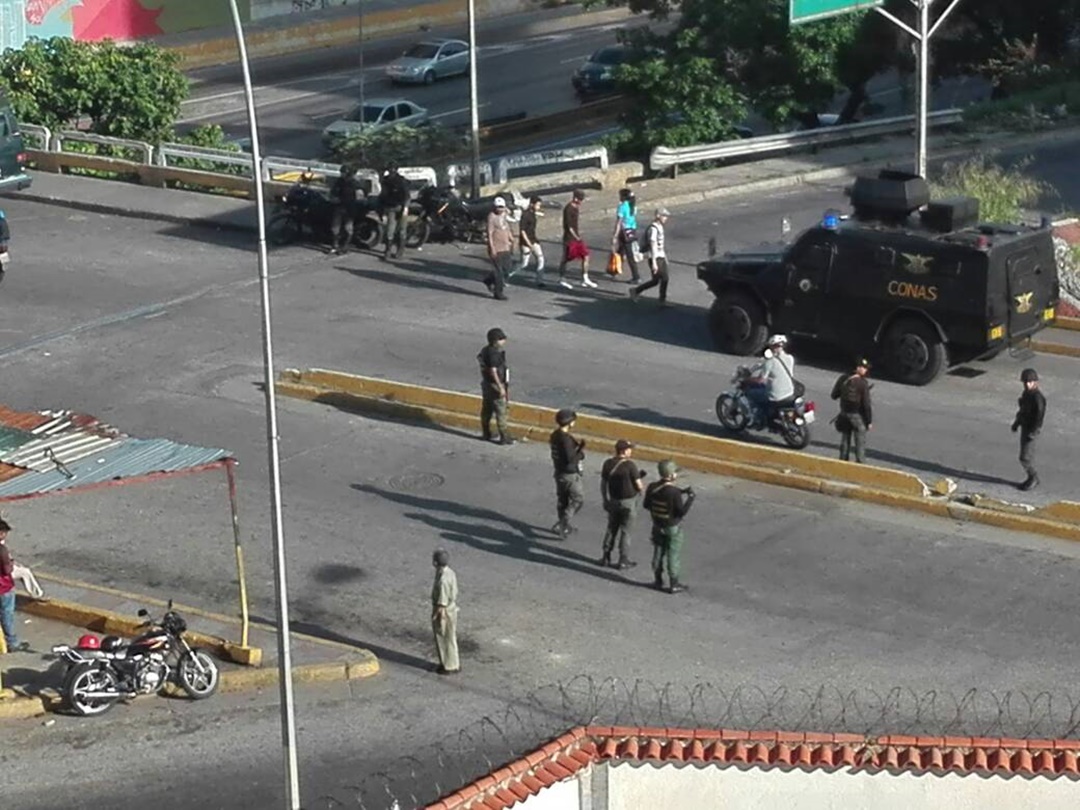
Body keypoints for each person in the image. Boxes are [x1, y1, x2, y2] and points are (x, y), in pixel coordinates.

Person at [643, 460, 695, 594]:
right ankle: (674, 583)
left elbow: (646, 505)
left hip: (657, 525)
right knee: (673, 554)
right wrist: (690, 498)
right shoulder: (673, 493)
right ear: (671, 475)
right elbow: (681, 512)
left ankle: (658, 580)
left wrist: (681, 492)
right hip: (672, 527)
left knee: (658, 552)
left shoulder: (652, 487)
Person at [599, 439, 647, 569]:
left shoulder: (607, 464)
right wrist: (641, 491)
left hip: (613, 500)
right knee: (626, 531)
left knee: (611, 528)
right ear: (624, 451)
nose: (631, 451)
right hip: (628, 503)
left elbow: (603, 484)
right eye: (629, 449)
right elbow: (639, 485)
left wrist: (605, 499)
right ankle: (623, 559)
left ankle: (606, 556)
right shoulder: (630, 465)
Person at [745, 334, 796, 427]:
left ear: (772, 346)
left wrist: (748, 379)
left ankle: (757, 418)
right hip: (790, 392)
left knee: (752, 393)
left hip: (776, 396)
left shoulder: (770, 361)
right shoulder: (790, 358)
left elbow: (761, 380)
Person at [549, 408, 586, 540]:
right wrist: (581, 454)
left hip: (558, 472)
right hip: (569, 475)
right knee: (578, 499)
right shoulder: (565, 440)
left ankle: (563, 526)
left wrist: (579, 447)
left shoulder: (555, 435)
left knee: (563, 500)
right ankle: (563, 522)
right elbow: (571, 459)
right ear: (570, 422)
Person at [831, 357, 873, 463]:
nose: (865, 370)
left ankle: (843, 460)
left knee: (845, 437)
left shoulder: (843, 378)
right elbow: (866, 405)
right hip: (856, 415)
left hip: (844, 413)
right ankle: (860, 462)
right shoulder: (863, 383)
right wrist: (869, 421)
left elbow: (834, 395)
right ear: (858, 368)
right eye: (864, 368)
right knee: (860, 439)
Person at [478, 327, 514, 445]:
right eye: (501, 339)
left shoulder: (485, 350)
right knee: (501, 410)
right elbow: (493, 370)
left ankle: (486, 432)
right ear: (495, 341)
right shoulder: (494, 354)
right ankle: (504, 437)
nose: (504, 341)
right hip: (494, 384)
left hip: (486, 384)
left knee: (487, 409)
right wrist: (501, 387)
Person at [1011, 368, 1046, 491]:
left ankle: (1033, 477)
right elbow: (1022, 411)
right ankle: (1031, 478)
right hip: (1025, 427)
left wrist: (1034, 431)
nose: (1027, 384)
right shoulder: (1026, 394)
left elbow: (1039, 416)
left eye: (1030, 382)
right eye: (1025, 382)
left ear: (1035, 382)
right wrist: (1016, 423)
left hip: (1031, 429)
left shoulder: (1037, 398)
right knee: (1025, 456)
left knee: (1025, 457)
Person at [629, 208, 670, 304]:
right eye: (664, 216)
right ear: (658, 216)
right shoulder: (653, 229)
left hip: (661, 256)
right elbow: (653, 245)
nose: (666, 218)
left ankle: (636, 291)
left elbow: (660, 245)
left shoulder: (660, 227)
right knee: (664, 278)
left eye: (666, 216)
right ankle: (661, 300)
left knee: (657, 280)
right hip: (655, 257)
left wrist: (665, 257)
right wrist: (654, 263)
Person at [557, 189, 596, 290]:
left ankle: (585, 278)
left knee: (586, 256)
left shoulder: (576, 208)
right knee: (565, 259)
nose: (581, 202)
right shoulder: (568, 209)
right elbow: (569, 227)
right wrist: (577, 237)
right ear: (575, 198)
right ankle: (562, 278)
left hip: (576, 238)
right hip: (569, 239)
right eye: (580, 200)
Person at [430, 548, 460, 675]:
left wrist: (437, 615)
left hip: (445, 611)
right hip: (452, 608)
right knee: (451, 637)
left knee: (443, 637)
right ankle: (454, 662)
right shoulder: (450, 573)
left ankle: (447, 665)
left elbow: (441, 602)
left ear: (436, 563)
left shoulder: (442, 580)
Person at [0, 518, 27, 653]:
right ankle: (12, 642)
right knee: (6, 615)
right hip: (4, 587)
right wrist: (11, 563)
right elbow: (7, 570)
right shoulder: (2, 550)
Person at [378, 163, 411, 260]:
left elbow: (407, 196)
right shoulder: (385, 181)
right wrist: (382, 212)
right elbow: (382, 197)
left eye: (393, 169)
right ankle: (388, 251)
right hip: (390, 208)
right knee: (390, 231)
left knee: (401, 230)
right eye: (390, 169)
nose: (391, 170)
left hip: (401, 207)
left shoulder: (401, 180)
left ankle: (399, 251)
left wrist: (405, 208)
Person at [484, 196, 513, 301]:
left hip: (505, 245)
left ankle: (489, 280)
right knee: (499, 272)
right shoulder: (491, 217)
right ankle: (498, 292)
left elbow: (507, 226)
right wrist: (492, 248)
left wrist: (510, 238)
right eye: (498, 207)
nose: (500, 209)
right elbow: (490, 233)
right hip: (496, 247)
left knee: (507, 269)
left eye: (502, 207)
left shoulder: (504, 214)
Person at [610, 188, 641, 283]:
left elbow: (619, 222)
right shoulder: (633, 206)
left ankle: (636, 276)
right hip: (632, 230)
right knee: (621, 251)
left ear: (623, 197)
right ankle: (615, 269)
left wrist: (614, 235)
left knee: (628, 254)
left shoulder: (622, 207)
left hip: (624, 232)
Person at [328, 165, 359, 256]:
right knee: (335, 228)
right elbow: (333, 191)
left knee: (348, 228)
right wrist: (333, 198)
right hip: (339, 207)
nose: (342, 174)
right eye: (341, 172)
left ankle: (345, 246)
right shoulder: (339, 181)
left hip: (349, 208)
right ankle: (335, 246)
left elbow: (358, 195)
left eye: (343, 172)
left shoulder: (353, 183)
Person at [518, 196, 546, 287]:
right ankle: (506, 275)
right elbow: (522, 231)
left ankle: (539, 280)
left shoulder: (533, 213)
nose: (539, 207)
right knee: (524, 263)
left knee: (540, 258)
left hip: (534, 240)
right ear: (532, 204)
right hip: (526, 242)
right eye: (538, 205)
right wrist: (528, 243)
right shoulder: (525, 215)